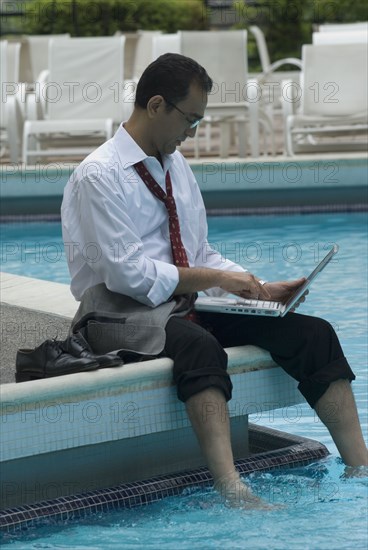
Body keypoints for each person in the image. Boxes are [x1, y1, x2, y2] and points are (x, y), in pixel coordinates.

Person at [61, 53, 367, 508]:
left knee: (313, 334)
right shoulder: (98, 176)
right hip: (115, 312)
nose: (193, 132)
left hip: (180, 306)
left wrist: (253, 289)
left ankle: (360, 466)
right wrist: (213, 277)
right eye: (190, 120)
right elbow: (127, 275)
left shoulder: (175, 165)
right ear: (157, 105)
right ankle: (233, 489)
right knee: (200, 347)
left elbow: (200, 253)